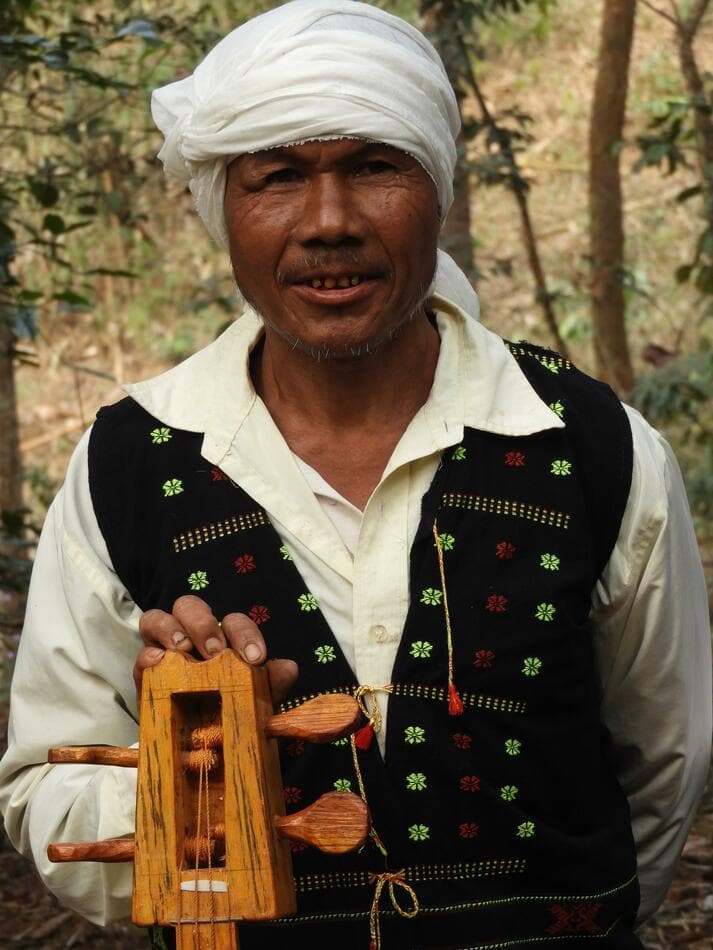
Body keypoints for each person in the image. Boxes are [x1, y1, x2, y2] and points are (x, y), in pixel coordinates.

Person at [1, 2, 710, 948]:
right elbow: (47, 779)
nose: (328, 222)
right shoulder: (131, 460)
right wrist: (194, 792)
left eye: (374, 168)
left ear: (438, 190)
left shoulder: (590, 445)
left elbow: (664, 764)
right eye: (278, 178)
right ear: (223, 208)